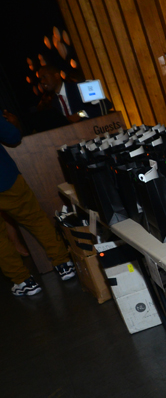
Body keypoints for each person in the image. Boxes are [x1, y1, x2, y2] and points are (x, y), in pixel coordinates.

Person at [0, 110, 75, 295]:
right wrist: (14, 122)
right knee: (35, 219)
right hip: (5, 177)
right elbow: (12, 136)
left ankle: (24, 281)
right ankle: (63, 264)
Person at [37, 65, 111, 123]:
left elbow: (105, 105)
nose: (42, 81)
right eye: (40, 79)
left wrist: (80, 114)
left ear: (56, 76)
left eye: (44, 77)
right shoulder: (53, 103)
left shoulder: (81, 87)